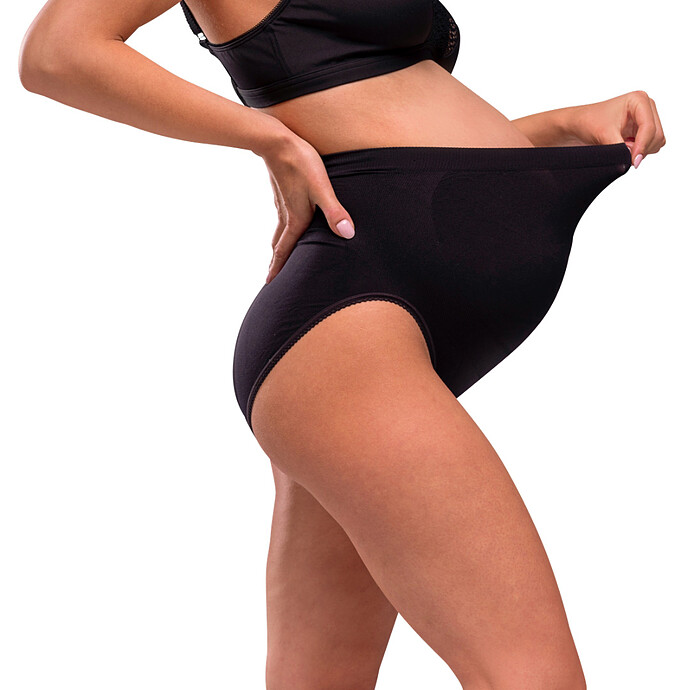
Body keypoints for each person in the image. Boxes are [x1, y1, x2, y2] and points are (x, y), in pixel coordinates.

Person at [18, 1, 665, 688]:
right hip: (348, 334)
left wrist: (566, 124)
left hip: (366, 338)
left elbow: (403, 140)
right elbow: (56, 52)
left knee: (320, 679)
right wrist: (267, 138)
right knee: (533, 675)